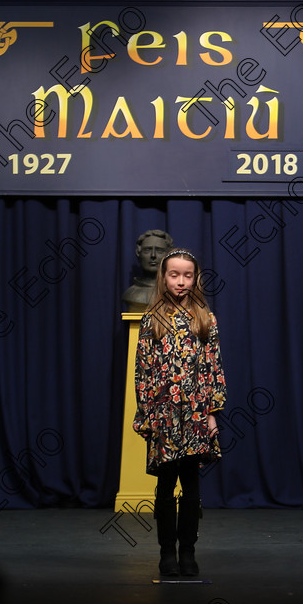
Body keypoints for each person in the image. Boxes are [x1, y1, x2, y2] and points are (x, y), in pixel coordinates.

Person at [133, 249, 227, 578]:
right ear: (164, 277)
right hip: (163, 416)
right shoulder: (151, 319)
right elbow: (142, 370)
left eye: (188, 275)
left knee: (191, 487)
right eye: (175, 275)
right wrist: (145, 414)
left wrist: (213, 412)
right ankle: (165, 553)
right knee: (165, 486)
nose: (181, 281)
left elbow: (214, 368)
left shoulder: (205, 317)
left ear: (195, 277)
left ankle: (188, 552)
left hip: (196, 416)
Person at [121, 229, 174, 311]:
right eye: (147, 250)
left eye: (159, 251)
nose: (153, 255)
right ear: (138, 253)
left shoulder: (174, 293)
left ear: (168, 255)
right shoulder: (130, 294)